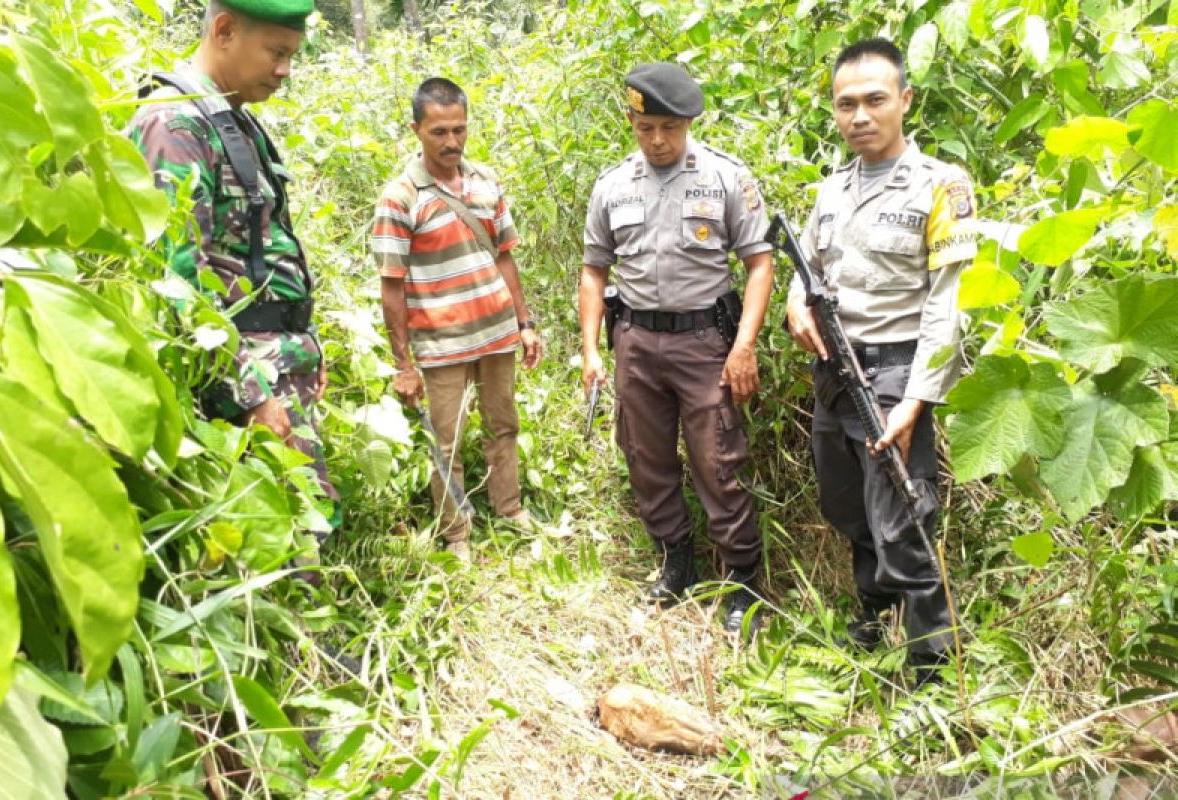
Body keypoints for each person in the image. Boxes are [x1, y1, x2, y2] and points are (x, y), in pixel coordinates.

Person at [785, 38, 978, 687]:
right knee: (845, 504)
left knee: (903, 518)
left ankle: (933, 665)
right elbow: (807, 268)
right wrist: (794, 305)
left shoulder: (943, 185)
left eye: (874, 99)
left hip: (898, 371)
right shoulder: (832, 190)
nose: (860, 115)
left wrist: (916, 400)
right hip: (836, 370)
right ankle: (874, 611)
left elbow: (947, 304)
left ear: (904, 100)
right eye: (846, 104)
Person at [130, 0, 339, 575]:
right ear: (224, 30)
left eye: (291, 56)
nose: (284, 71)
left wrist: (305, 341)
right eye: (276, 52)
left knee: (304, 524)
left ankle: (307, 649)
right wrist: (251, 396)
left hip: (274, 362)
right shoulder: (173, 126)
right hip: (240, 379)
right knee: (268, 542)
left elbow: (258, 248)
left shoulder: (230, 115)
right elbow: (175, 283)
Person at [579, 63, 774, 634]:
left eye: (669, 127)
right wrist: (592, 351)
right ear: (631, 122)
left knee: (719, 461)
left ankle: (742, 580)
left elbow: (759, 263)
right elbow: (594, 271)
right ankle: (676, 560)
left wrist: (744, 347)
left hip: (704, 342)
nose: (658, 140)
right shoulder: (612, 185)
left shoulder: (724, 179)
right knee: (645, 457)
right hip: (636, 342)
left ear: (688, 122)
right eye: (646, 128)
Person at [373, 78, 543, 562]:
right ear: (416, 130)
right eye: (439, 132)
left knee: (502, 426)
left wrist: (524, 323)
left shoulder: (486, 182)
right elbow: (392, 285)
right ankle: (457, 534)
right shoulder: (401, 198)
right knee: (445, 443)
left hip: (495, 335)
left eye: (459, 130)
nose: (451, 142)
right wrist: (403, 363)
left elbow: (505, 258)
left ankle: (509, 510)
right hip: (441, 343)